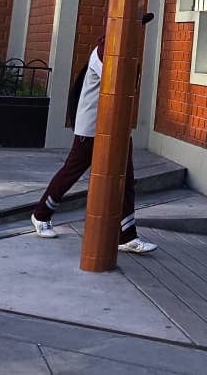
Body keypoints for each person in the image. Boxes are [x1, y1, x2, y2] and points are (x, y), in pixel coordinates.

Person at [29, 30, 158, 255]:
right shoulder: (103, 51)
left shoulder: (126, 52)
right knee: (72, 171)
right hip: (91, 127)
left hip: (116, 127)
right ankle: (41, 215)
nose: (137, 30)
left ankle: (127, 236)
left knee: (126, 179)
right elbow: (116, 82)